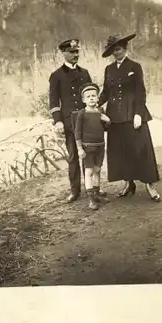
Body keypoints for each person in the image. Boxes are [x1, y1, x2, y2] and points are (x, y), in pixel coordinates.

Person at [98, 34, 161, 202]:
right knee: (120, 151)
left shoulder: (135, 66)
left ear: (125, 49)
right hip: (115, 117)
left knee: (141, 149)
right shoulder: (109, 69)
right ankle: (128, 183)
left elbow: (141, 92)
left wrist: (139, 114)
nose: (116, 53)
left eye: (118, 49)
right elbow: (106, 92)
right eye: (113, 51)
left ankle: (150, 185)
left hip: (133, 114)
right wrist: (95, 103)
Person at [49, 39, 107, 203]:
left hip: (87, 122)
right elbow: (53, 102)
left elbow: (91, 98)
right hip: (69, 123)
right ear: (64, 53)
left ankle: (93, 189)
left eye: (77, 52)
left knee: (89, 155)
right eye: (72, 52)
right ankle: (75, 190)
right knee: (73, 156)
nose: (76, 55)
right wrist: (58, 121)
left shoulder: (84, 73)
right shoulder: (56, 76)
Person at [75, 83, 111, 210]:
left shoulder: (100, 111)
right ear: (83, 100)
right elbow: (77, 132)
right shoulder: (82, 113)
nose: (91, 98)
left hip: (100, 146)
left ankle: (96, 195)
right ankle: (91, 199)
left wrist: (108, 121)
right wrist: (79, 148)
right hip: (87, 147)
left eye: (94, 96)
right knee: (89, 171)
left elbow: (106, 128)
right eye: (88, 96)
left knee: (97, 170)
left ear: (97, 98)